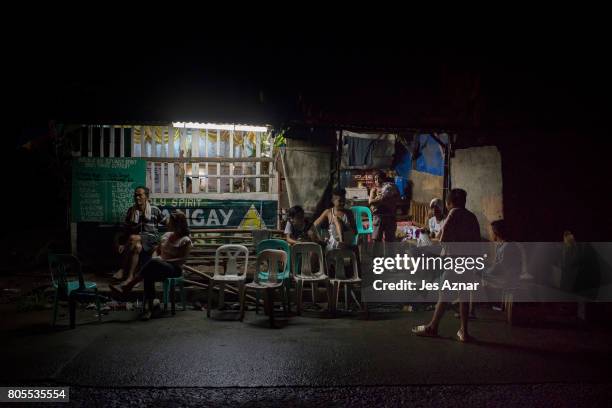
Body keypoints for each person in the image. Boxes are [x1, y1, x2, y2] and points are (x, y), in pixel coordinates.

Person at [412, 188, 481, 342]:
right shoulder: (471, 216)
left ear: (449, 203)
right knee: (463, 296)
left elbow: (443, 239)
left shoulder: (453, 213)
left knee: (444, 295)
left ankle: (432, 327)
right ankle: (464, 331)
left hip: (455, 260)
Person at [111, 211, 192, 320]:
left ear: (177, 224)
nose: (168, 223)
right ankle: (149, 308)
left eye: (171, 221)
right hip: (159, 266)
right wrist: (155, 257)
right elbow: (156, 250)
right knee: (149, 274)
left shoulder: (185, 240)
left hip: (174, 269)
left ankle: (129, 285)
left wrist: (163, 260)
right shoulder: (166, 236)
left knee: (154, 263)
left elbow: (182, 260)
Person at [114, 186, 166, 283]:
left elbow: (165, 221)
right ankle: (130, 277)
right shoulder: (131, 211)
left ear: (146, 196)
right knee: (137, 247)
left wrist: (178, 221)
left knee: (133, 237)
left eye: (140, 195)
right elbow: (126, 228)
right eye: (135, 195)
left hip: (151, 238)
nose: (137, 197)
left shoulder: (154, 209)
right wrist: (121, 243)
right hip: (137, 240)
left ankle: (122, 269)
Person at [369, 170, 400, 242]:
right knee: (376, 240)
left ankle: (388, 253)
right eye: (375, 179)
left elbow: (397, 199)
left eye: (379, 178)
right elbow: (370, 202)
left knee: (390, 240)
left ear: (383, 179)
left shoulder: (391, 188)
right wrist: (383, 199)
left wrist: (384, 199)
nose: (377, 181)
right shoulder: (374, 190)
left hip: (390, 217)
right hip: (378, 217)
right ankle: (377, 253)